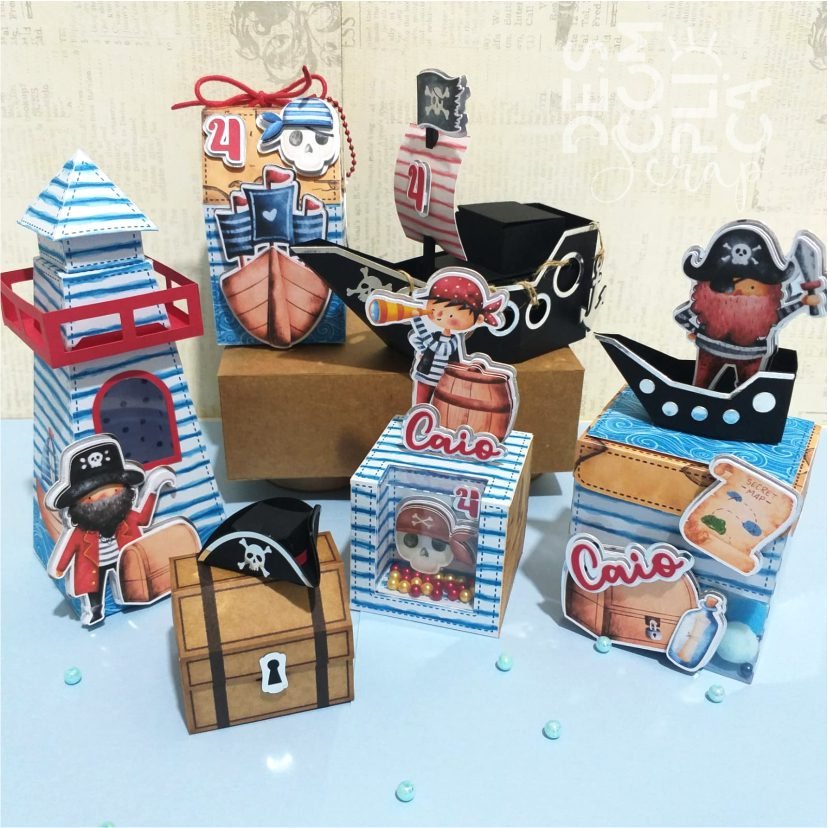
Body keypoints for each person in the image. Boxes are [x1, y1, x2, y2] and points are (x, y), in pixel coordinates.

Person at [45, 435, 174, 626]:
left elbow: (144, 518)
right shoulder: (80, 532)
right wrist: (59, 568)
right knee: (94, 589)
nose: (104, 497)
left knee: (128, 577)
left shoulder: (126, 519)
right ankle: (95, 609)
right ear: (78, 503)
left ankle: (131, 598)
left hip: (124, 556)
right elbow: (68, 547)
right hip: (94, 564)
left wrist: (154, 485)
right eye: (91, 497)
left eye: (114, 491)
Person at [404, 270, 506, 405]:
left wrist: (418, 322)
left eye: (451, 315)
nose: (439, 315)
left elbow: (440, 348)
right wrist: (421, 348)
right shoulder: (435, 335)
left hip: (444, 381)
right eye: (434, 310)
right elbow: (424, 345)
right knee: (420, 403)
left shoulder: (455, 340)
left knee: (439, 406)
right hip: (424, 375)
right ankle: (418, 416)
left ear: (478, 319)